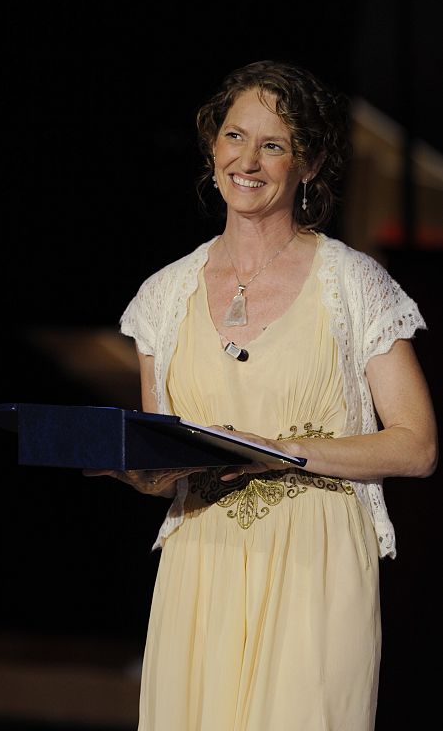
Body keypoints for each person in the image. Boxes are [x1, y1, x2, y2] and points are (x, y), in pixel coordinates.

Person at [86, 60, 438, 730]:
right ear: (211, 146)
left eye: (273, 145)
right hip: (202, 563)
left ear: (309, 164)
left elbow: (416, 445)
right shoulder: (163, 296)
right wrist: (134, 466)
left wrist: (278, 450)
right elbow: (166, 463)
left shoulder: (353, 284)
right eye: (234, 136)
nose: (247, 161)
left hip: (316, 563)